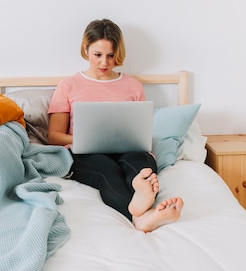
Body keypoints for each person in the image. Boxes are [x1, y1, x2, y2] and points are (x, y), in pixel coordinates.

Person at [47, 18, 183, 232]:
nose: (104, 63)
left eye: (111, 56)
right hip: (86, 153)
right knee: (108, 171)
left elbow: (141, 127)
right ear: (86, 49)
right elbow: (54, 135)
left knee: (141, 165)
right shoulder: (68, 85)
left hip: (128, 149)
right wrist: (86, 139)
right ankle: (139, 215)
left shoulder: (132, 85)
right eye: (98, 55)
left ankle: (141, 191)